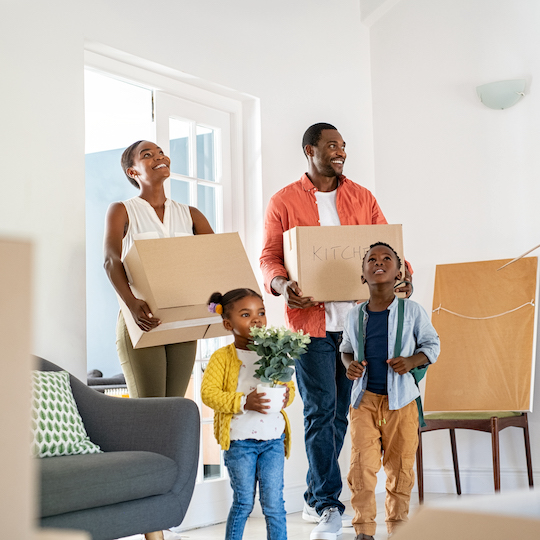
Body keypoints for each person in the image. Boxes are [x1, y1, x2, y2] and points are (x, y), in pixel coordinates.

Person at [259, 123, 412, 540]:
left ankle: (313, 496)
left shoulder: (362, 197)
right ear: (310, 150)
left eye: (343, 145)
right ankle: (327, 501)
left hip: (358, 327)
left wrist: (405, 274)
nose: (340, 151)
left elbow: (389, 249)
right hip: (311, 327)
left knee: (343, 410)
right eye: (331, 145)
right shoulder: (284, 201)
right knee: (319, 410)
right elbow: (270, 258)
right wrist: (283, 287)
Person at [340, 242, 440, 539]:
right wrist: (350, 365)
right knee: (361, 467)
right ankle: (364, 530)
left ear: (400, 273)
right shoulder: (354, 315)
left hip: (402, 403)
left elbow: (432, 345)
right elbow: (345, 349)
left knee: (400, 468)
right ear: (363, 275)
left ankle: (398, 528)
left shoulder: (412, 311)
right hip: (364, 401)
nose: (379, 262)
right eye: (371, 259)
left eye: (387, 259)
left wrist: (412, 360)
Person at [103, 140, 214, 400]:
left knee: (173, 408)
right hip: (142, 318)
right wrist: (131, 303)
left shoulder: (191, 214)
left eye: (161, 152)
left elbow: (215, 261)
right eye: (148, 155)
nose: (159, 157)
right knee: (150, 410)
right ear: (133, 172)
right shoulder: (122, 210)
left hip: (183, 321)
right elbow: (111, 260)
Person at [201, 288, 295, 540]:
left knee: (274, 504)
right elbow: (209, 394)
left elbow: (290, 388)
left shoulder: (274, 352)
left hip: (273, 441)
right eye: (246, 314)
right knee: (243, 502)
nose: (256, 319)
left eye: (261, 313)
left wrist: (287, 395)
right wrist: (244, 402)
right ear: (228, 324)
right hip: (240, 442)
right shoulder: (222, 358)